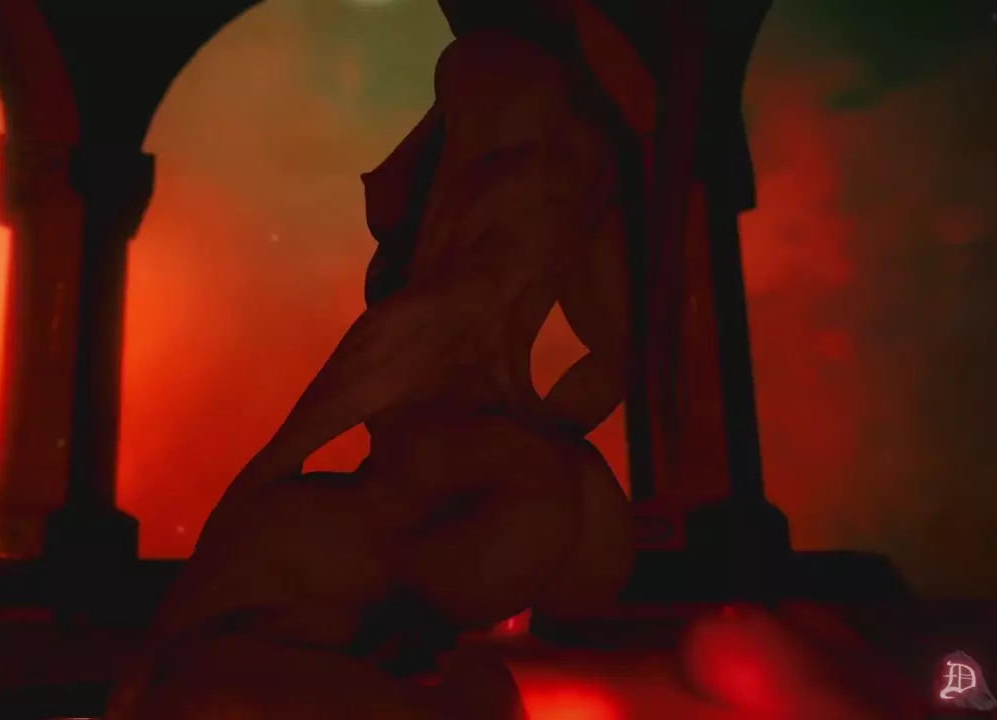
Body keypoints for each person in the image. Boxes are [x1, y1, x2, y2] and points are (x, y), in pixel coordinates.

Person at [107, 2, 635, 718]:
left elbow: (413, 328)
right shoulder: (581, 154)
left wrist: (265, 473)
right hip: (537, 487)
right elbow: (613, 353)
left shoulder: (491, 121)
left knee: (188, 668)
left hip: (443, 475)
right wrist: (545, 434)